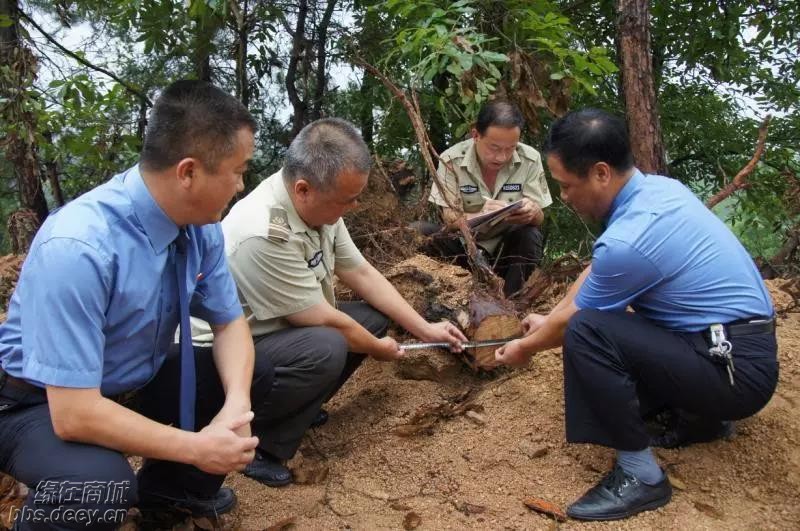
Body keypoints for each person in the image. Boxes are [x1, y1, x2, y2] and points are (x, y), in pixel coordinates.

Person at [0, 80, 273, 530]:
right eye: (238, 171)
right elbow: (74, 414)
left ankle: (169, 497)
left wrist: (234, 406)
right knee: (94, 488)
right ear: (188, 173)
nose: (241, 186)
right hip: (35, 401)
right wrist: (197, 448)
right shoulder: (80, 247)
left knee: (250, 373)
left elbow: (229, 325)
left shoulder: (199, 226)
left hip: (123, 379)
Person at [495, 109, 778, 521]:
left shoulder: (633, 237)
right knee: (591, 323)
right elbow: (598, 269)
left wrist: (526, 347)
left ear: (601, 173)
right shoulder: (658, 192)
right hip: (733, 351)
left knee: (588, 331)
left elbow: (584, 313)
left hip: (735, 372)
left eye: (567, 185)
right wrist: (548, 316)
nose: (565, 197)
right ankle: (701, 420)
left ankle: (640, 475)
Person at [190, 117, 467, 487]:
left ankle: (299, 408)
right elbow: (324, 320)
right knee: (327, 345)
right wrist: (379, 349)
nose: (353, 207)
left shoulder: (318, 203)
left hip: (275, 333)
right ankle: (264, 445)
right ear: (303, 189)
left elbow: (361, 273)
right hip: (216, 355)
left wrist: (425, 327)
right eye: (347, 199)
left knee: (369, 318)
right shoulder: (263, 232)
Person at [415, 100, 552, 296]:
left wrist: (533, 212)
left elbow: (539, 218)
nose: (501, 157)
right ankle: (446, 292)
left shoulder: (530, 158)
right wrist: (480, 214)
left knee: (529, 235)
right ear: (475, 135)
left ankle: (512, 304)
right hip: (463, 248)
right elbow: (449, 218)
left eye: (510, 148)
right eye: (494, 148)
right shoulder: (451, 159)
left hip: (507, 252)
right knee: (419, 231)